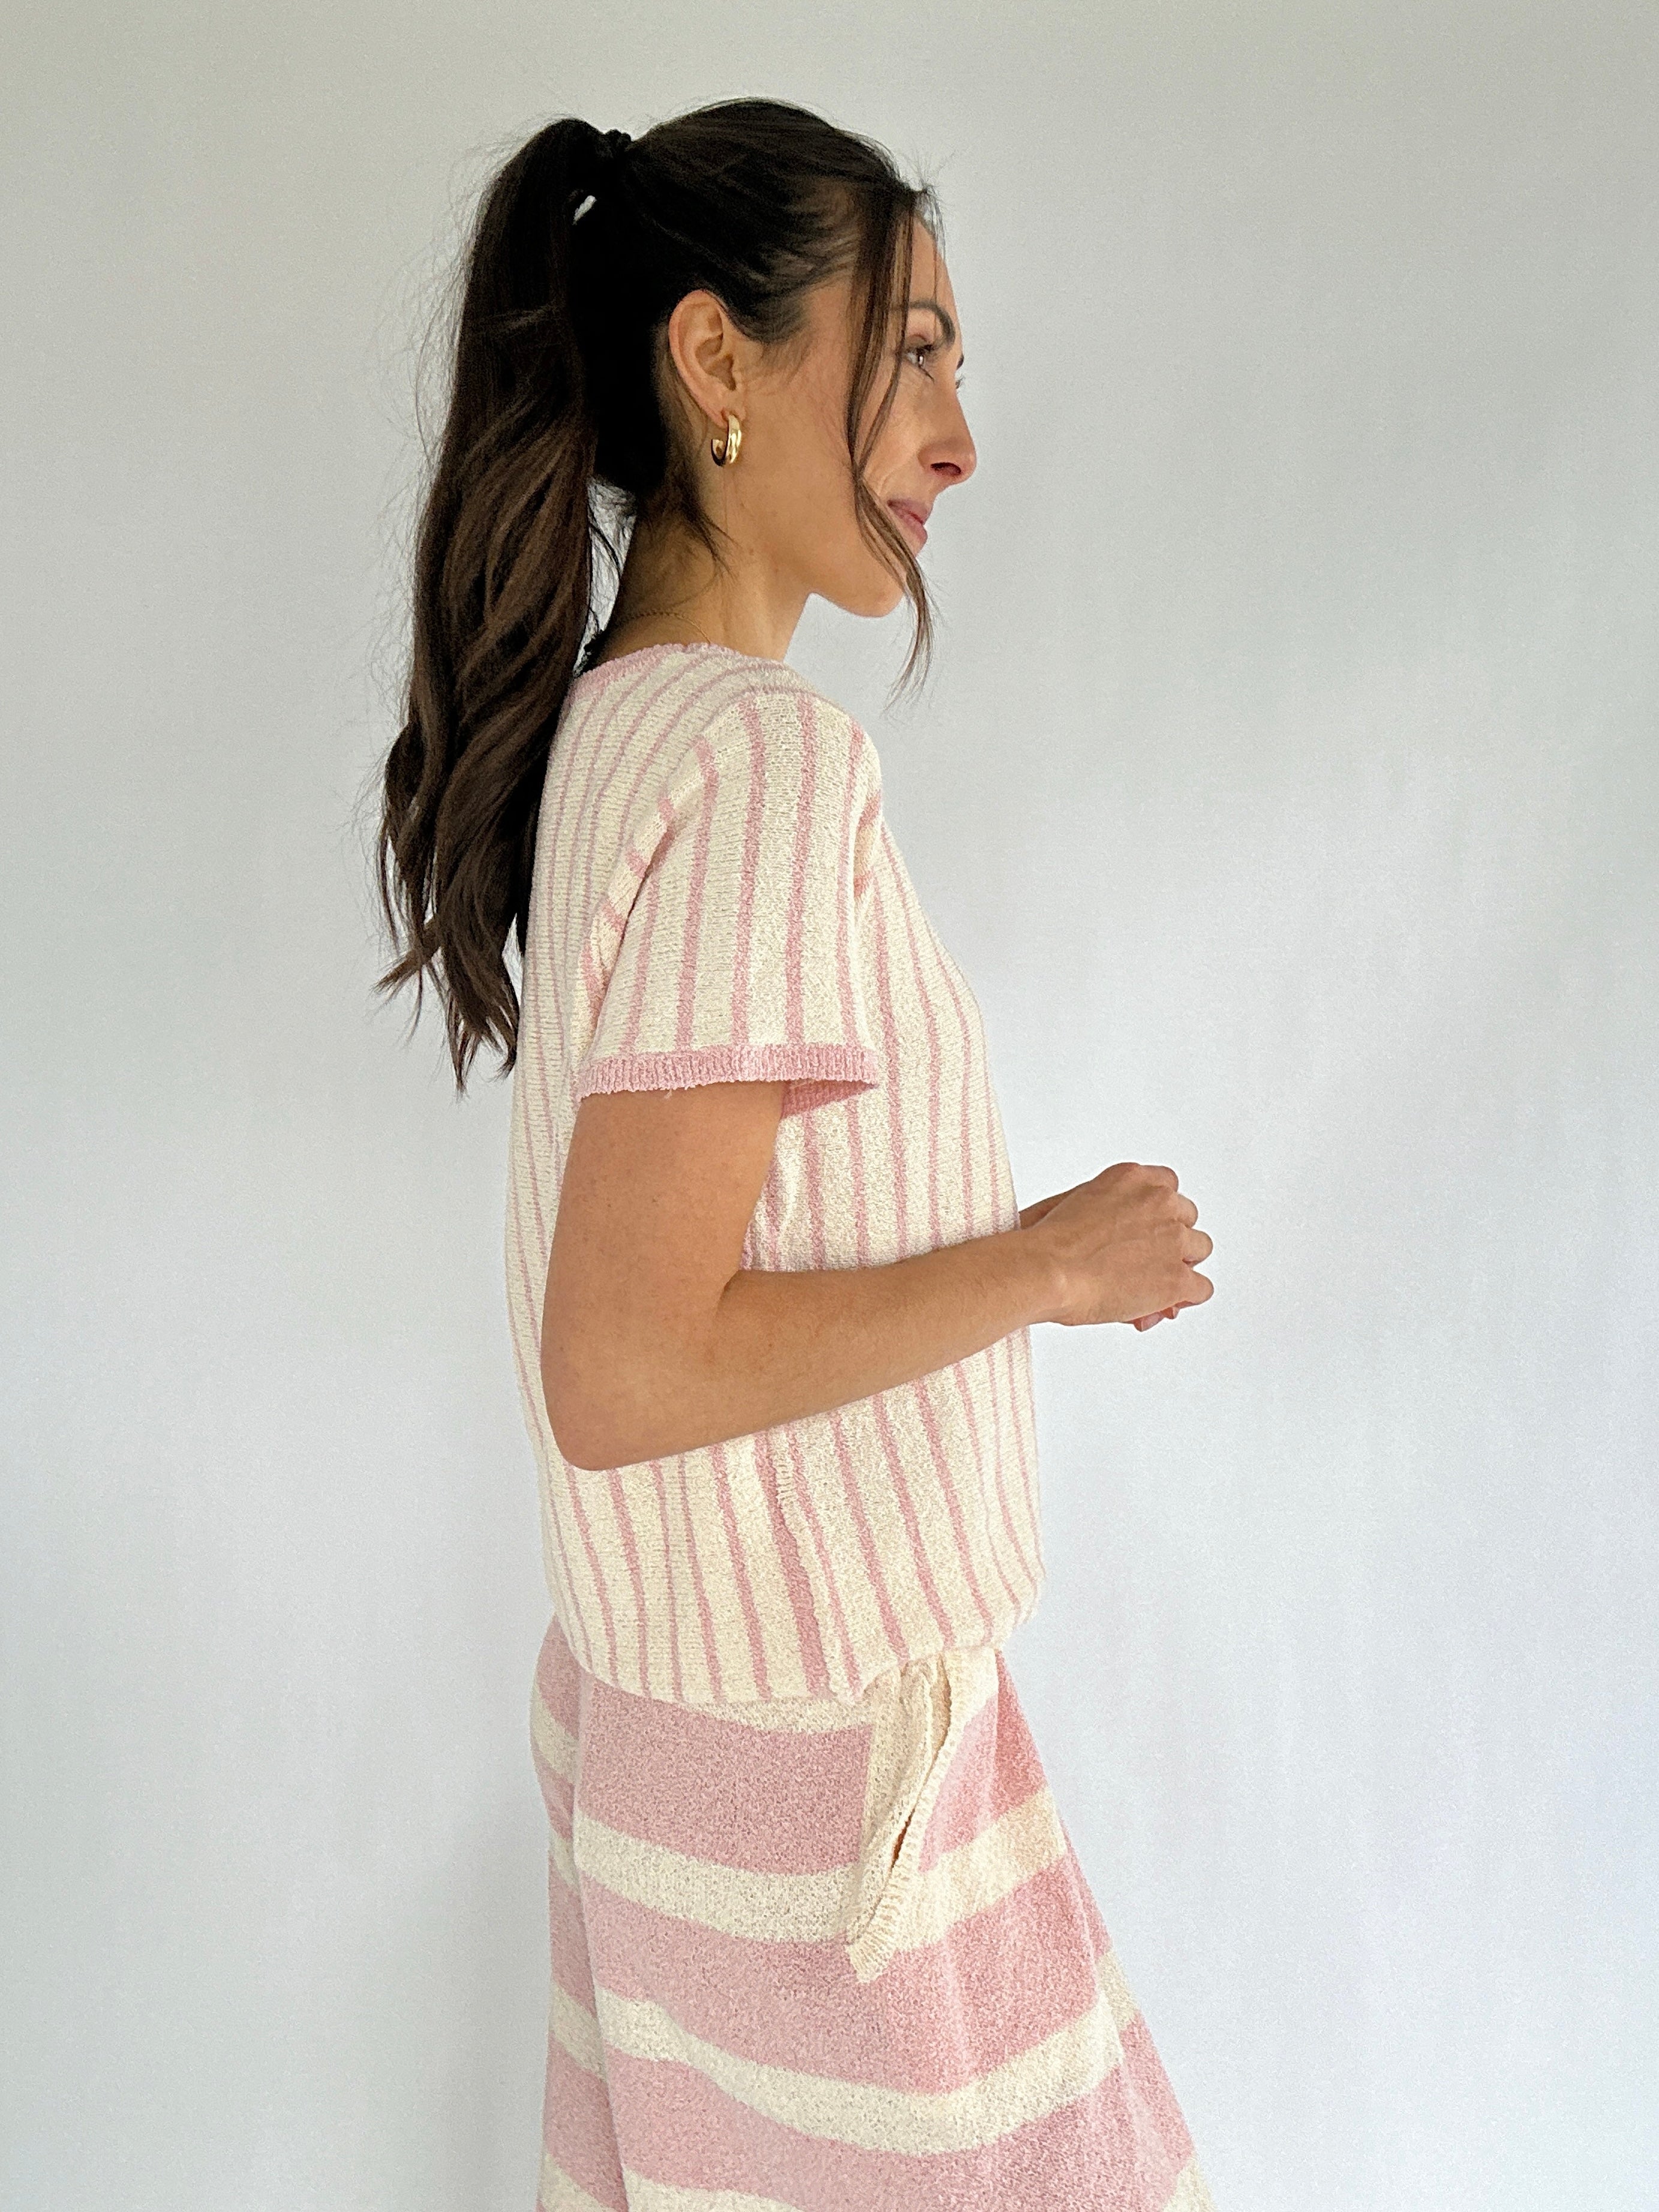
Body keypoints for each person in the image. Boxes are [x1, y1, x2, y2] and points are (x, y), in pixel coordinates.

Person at [377, 92, 1216, 2212]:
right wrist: (1045, 1267)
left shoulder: (617, 736)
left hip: (698, 1738)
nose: (953, 434)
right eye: (911, 347)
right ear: (716, 358)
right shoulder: (755, 764)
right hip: (816, 1777)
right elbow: (629, 1362)